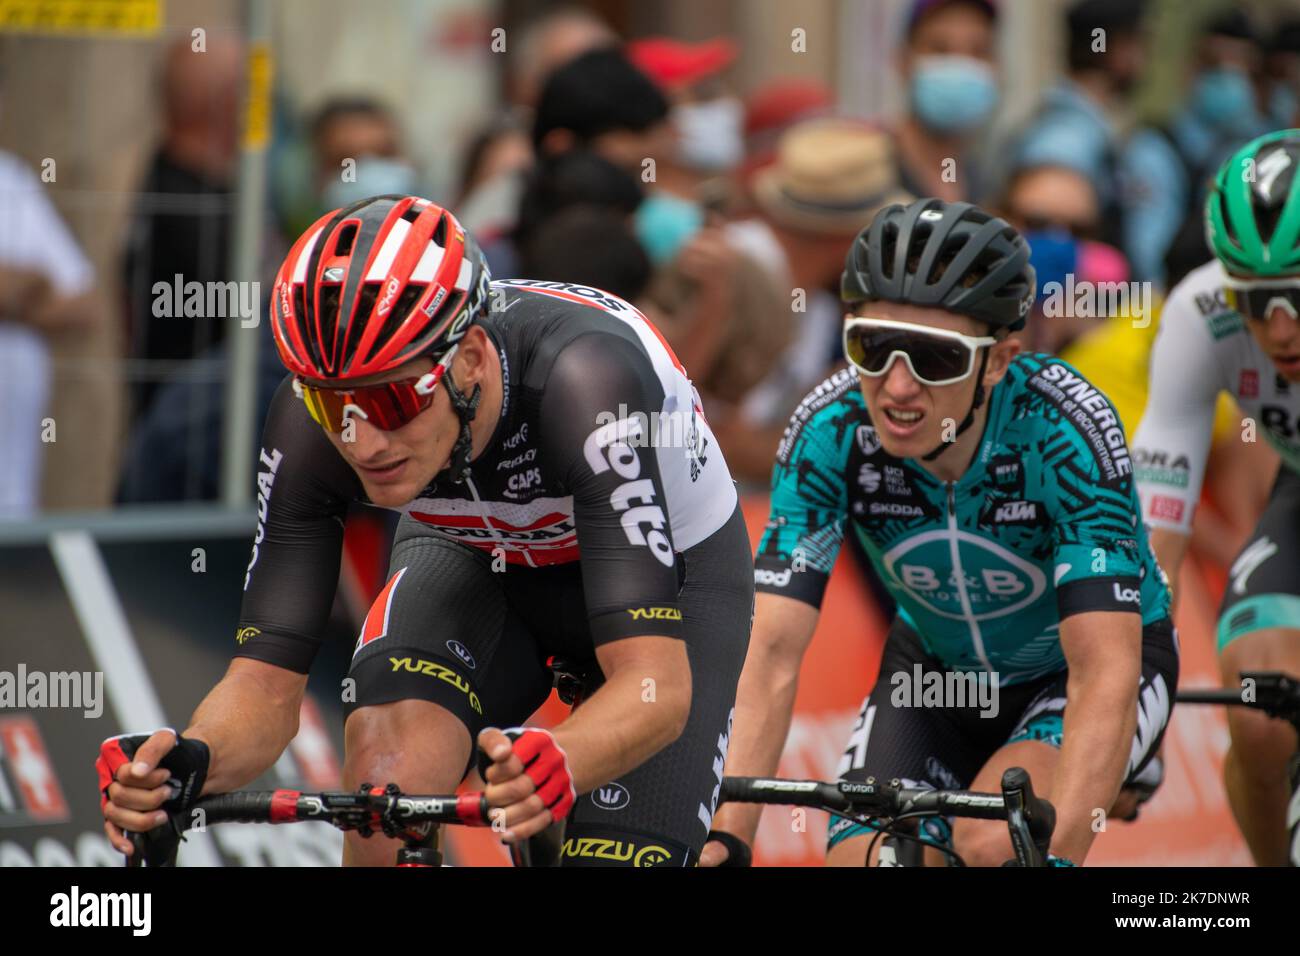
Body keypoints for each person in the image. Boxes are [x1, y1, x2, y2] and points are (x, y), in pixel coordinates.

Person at [98, 196, 753, 867]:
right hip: (473, 557)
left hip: (672, 576)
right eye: (333, 404)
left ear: (469, 358)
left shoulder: (584, 381)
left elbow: (656, 689)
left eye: (390, 400)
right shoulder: (307, 427)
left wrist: (565, 759)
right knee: (388, 789)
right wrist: (188, 761)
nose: (363, 441)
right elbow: (265, 688)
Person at [703, 197, 1177, 867]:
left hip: (1069, 672)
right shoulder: (830, 432)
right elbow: (771, 653)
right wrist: (729, 835)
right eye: (872, 346)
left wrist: (1061, 855)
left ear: (998, 360)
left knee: (996, 839)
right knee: (865, 861)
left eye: (936, 358)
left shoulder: (1064, 430)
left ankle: (1124, 768)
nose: (897, 387)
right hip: (934, 672)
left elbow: (1103, 670)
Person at [1133, 130, 1300, 866]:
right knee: (1262, 715)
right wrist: (1129, 712)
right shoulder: (1201, 313)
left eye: (1297, 297)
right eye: (1256, 300)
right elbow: (1154, 530)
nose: (1279, 329)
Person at [1122, 11, 1271, 289]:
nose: (1229, 79)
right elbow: (1148, 259)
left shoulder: (1261, 149)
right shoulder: (1155, 149)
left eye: (1240, 68)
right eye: (1215, 65)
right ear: (1190, 69)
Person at [891, 0, 1000, 203]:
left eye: (978, 51)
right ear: (903, 60)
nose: (959, 65)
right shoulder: (868, 175)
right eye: (940, 49)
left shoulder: (990, 186)